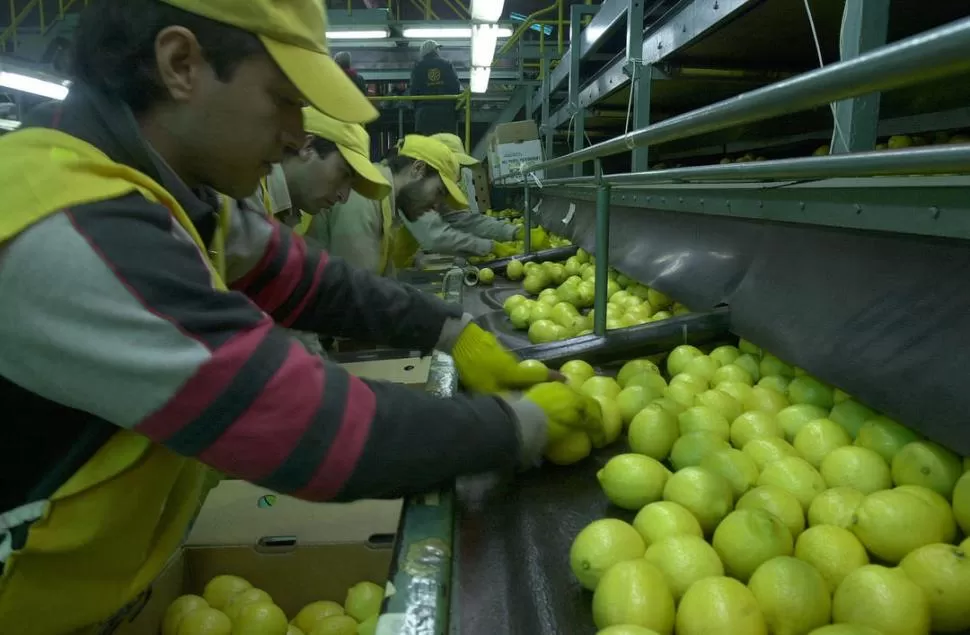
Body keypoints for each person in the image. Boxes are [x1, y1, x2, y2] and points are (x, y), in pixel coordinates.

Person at [0, 1, 605, 632]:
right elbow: (293, 420)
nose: (297, 133)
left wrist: (453, 332)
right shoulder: (69, 224)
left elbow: (309, 280)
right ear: (181, 64)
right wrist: (515, 427)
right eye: (284, 98)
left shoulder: (171, 197)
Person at [306, 134, 473, 276]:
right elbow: (359, 289)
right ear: (418, 169)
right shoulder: (365, 198)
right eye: (438, 192)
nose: (436, 206)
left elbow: (383, 282)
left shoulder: (387, 207)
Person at [410, 39, 461, 135]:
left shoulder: (418, 66)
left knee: (426, 146)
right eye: (437, 49)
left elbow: (413, 90)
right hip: (446, 112)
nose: (439, 51)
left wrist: (417, 109)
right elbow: (455, 87)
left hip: (424, 113)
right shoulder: (447, 64)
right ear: (434, 51)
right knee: (446, 143)